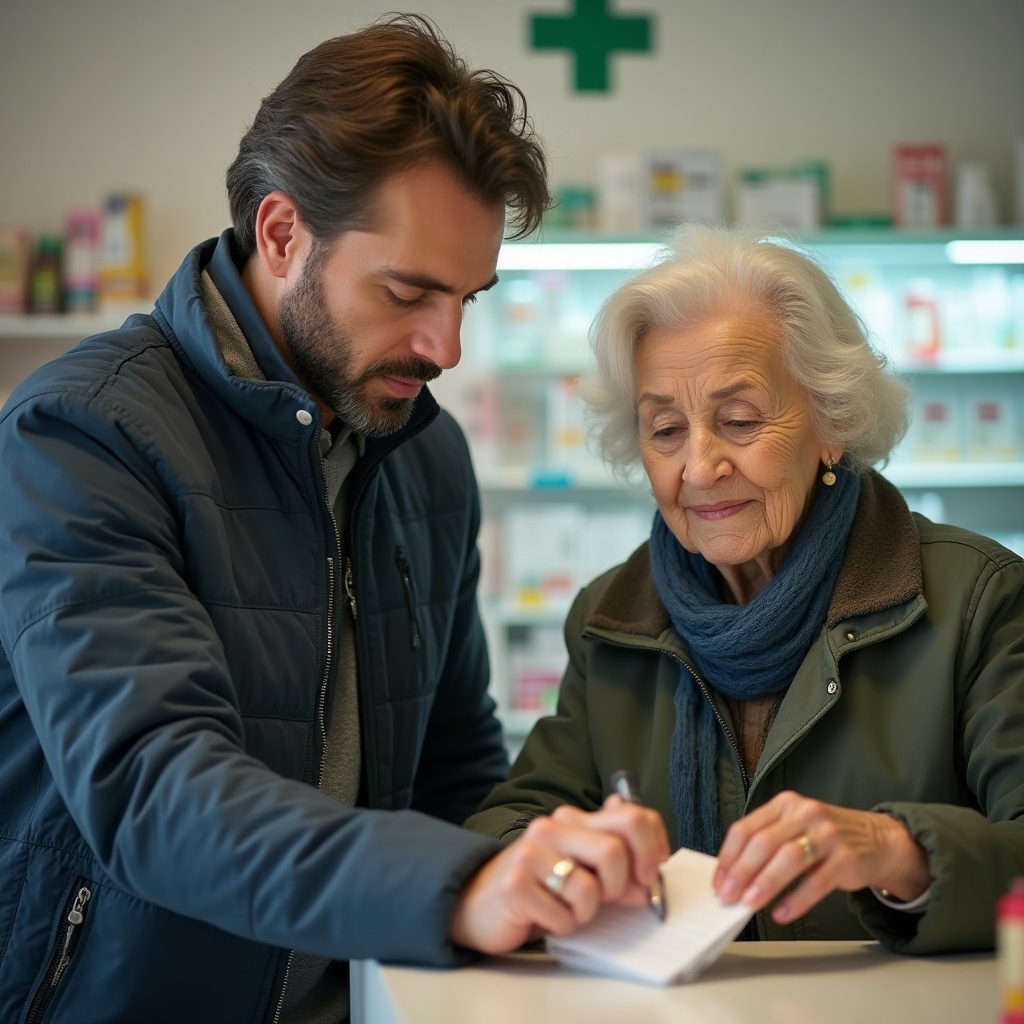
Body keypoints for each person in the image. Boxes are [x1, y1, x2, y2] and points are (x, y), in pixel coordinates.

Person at [0, 16, 666, 1024]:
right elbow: (151, 785)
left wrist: (542, 880)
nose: (444, 345)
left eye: (468, 299)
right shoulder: (82, 433)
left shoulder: (422, 451)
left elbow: (452, 762)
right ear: (280, 232)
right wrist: (458, 885)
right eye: (408, 292)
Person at [466, 224, 1024, 954]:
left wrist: (897, 851)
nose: (699, 466)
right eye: (665, 429)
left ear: (833, 421)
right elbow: (519, 819)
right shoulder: (610, 620)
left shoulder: (978, 600)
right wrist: (554, 865)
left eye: (738, 420)